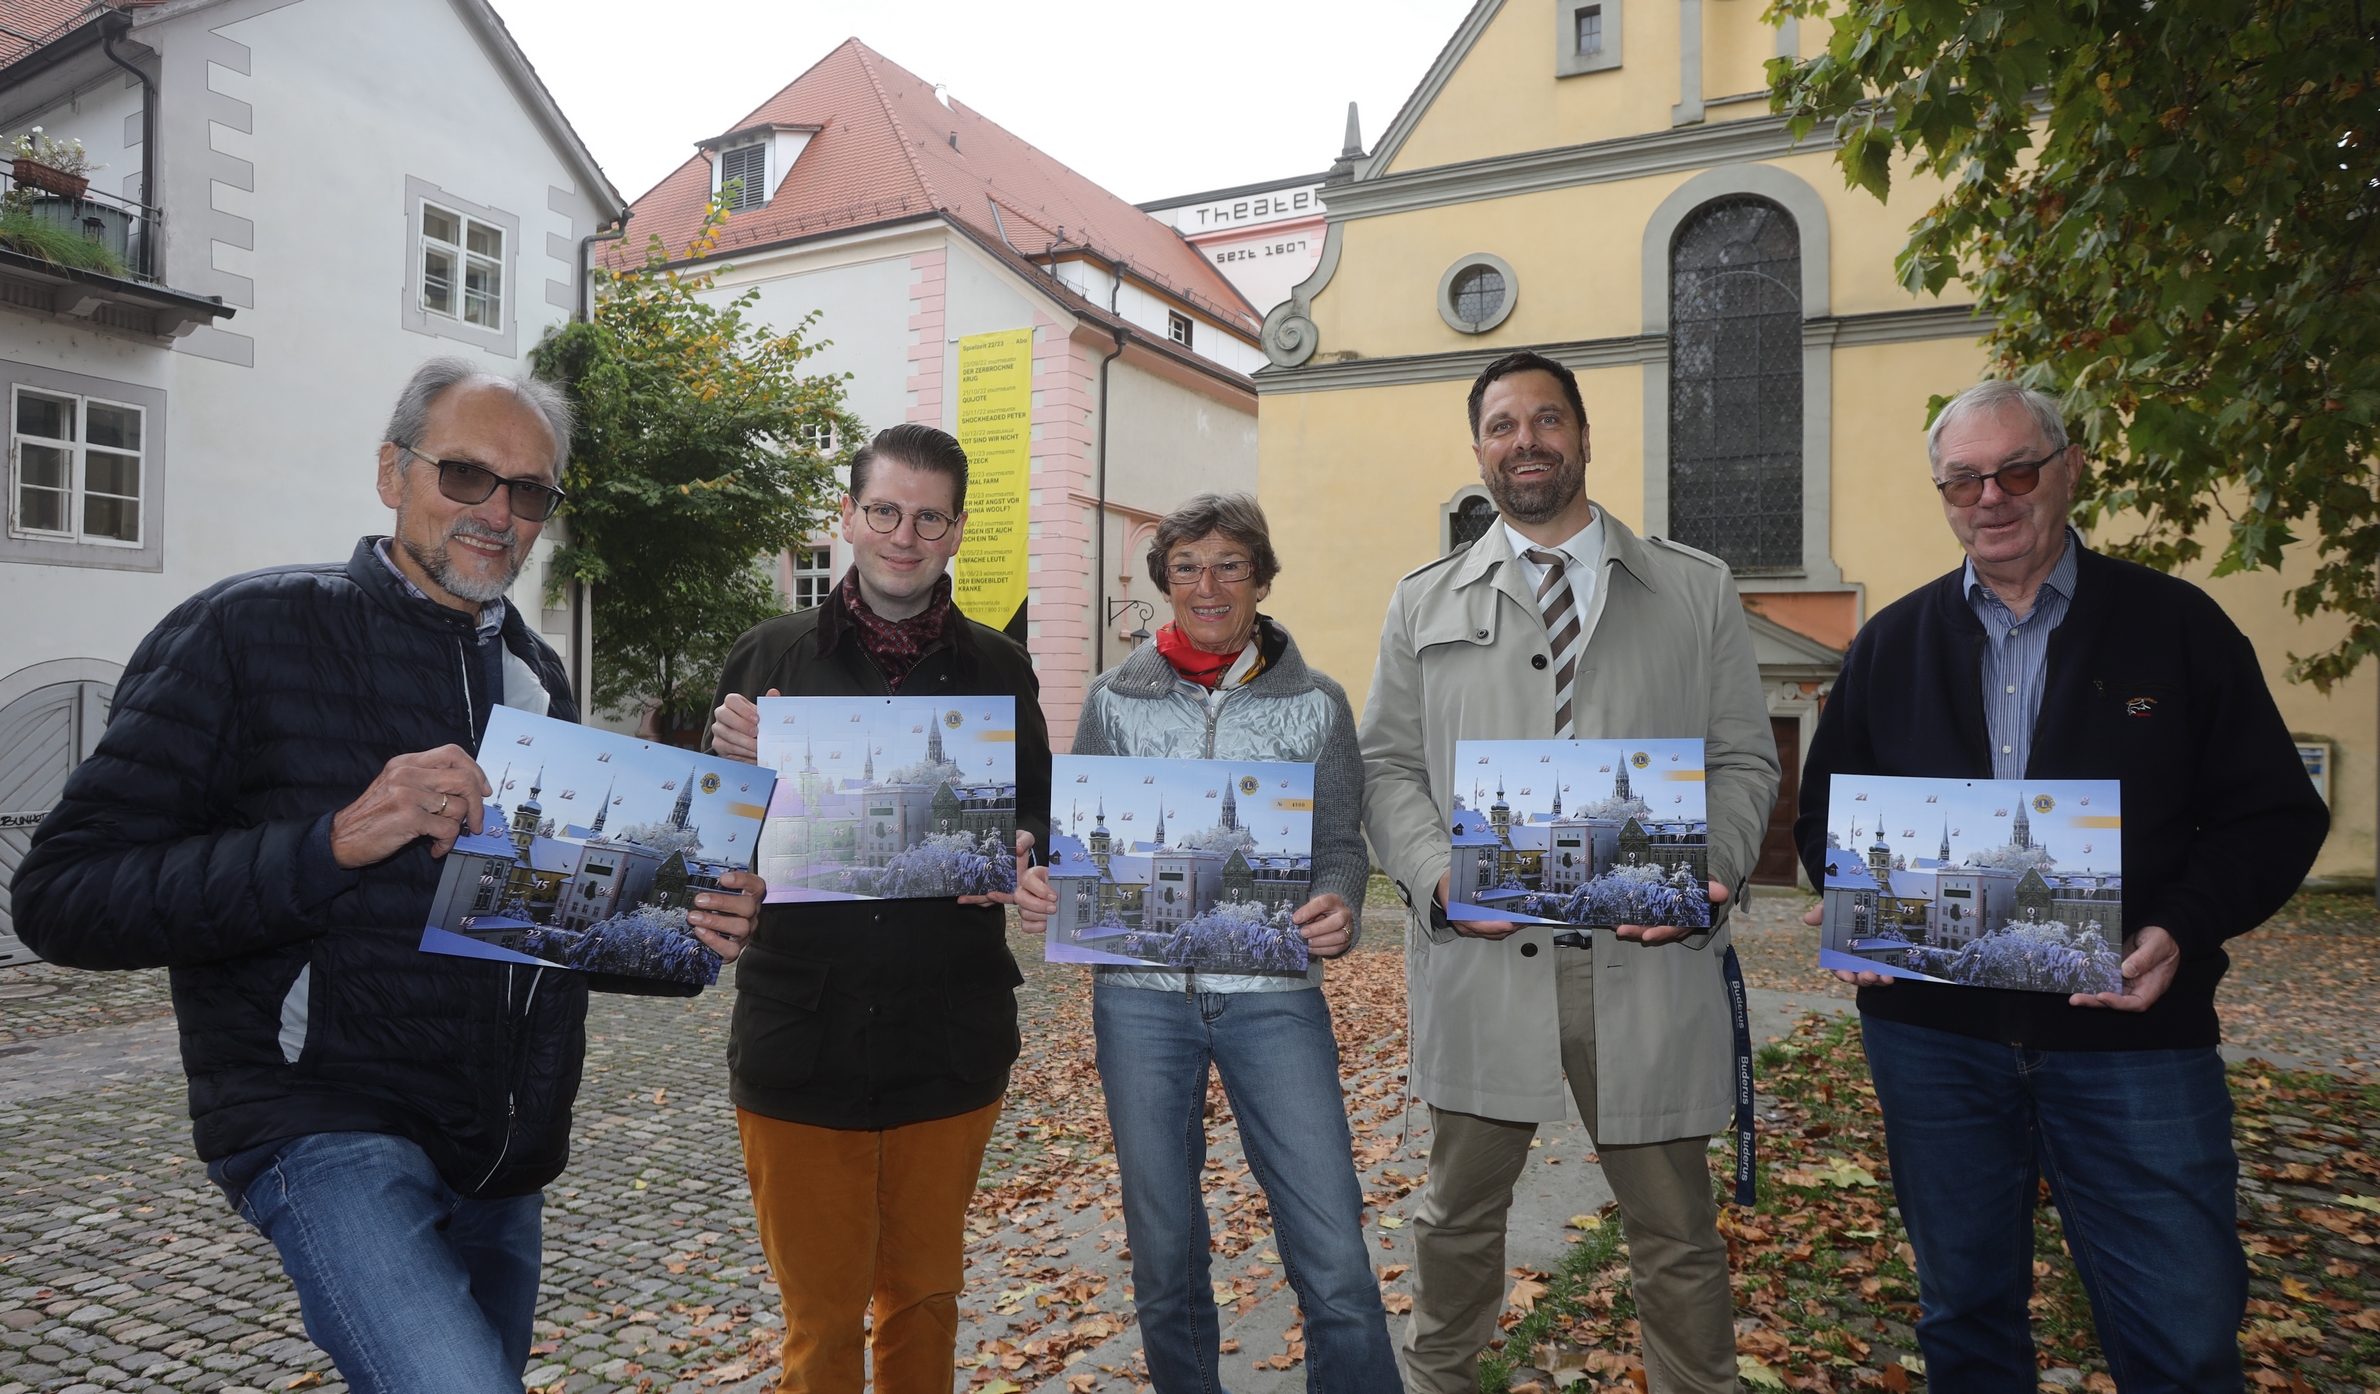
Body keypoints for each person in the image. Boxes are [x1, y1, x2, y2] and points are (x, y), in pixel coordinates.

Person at [9, 358, 767, 1394]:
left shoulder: (537, 675)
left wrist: (691, 925)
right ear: (390, 470)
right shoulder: (246, 631)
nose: (497, 511)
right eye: (465, 474)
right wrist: (337, 838)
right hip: (323, 1124)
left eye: (529, 490)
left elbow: (531, 916)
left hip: (503, 1152)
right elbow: (62, 897)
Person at [1796, 379, 2328, 1391]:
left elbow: (2272, 814)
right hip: (1935, 1043)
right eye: (1962, 480)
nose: (1990, 497)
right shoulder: (1891, 642)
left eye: (2016, 470)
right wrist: (1859, 903)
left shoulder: (2179, 627)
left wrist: (2182, 922)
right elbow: (1826, 816)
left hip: (2132, 1039)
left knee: (2183, 1333)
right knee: (1964, 1318)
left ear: (2068, 469)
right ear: (1943, 493)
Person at [1360, 350, 1779, 1394]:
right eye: (1502, 425)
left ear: (1585, 437)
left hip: (1648, 962)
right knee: (1455, 1219)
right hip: (1484, 960)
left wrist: (1716, 864)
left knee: (1676, 1229)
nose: (1527, 441)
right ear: (1480, 450)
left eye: (1548, 420)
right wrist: (1434, 873)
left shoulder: (1693, 588)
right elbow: (1385, 765)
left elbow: (1742, 757)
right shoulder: (1422, 602)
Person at [1009, 492, 1403, 1394]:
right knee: (1163, 1250)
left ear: (1261, 579)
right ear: (1164, 584)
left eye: (1229, 564)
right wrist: (1049, 887)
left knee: (1335, 1247)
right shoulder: (1114, 700)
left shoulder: (1317, 703)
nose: (1208, 583)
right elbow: (1081, 844)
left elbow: (1342, 842)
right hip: (1142, 1003)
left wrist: (1339, 901)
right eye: (1186, 567)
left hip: (1275, 1003)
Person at [703, 422, 1051, 1394]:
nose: (905, 534)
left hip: (950, 1035)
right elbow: (704, 848)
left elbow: (1038, 809)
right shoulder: (767, 657)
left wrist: (1022, 843)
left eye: (928, 516)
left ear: (956, 530)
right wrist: (729, 769)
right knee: (817, 1319)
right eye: (886, 510)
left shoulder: (999, 669)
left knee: (926, 1300)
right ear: (847, 516)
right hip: (798, 1036)